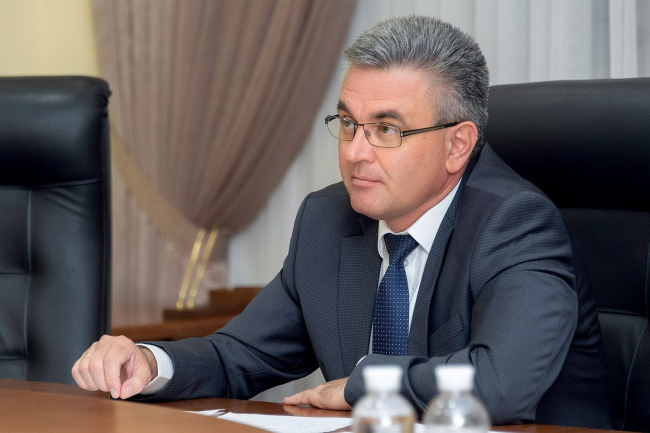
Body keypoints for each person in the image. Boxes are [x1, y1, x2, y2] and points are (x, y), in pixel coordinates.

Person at [72, 15, 611, 428]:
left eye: (386, 130)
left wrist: (363, 384)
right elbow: (241, 355)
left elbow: (500, 385)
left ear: (457, 145)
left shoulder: (515, 222)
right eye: (349, 124)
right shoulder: (328, 219)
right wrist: (149, 362)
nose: (355, 152)